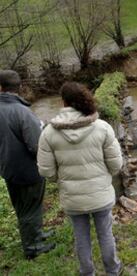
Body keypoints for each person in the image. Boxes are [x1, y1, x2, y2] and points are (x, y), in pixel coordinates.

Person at [37, 82, 123, 276]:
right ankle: (112, 270)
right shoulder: (102, 127)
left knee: (81, 236)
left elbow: (46, 171)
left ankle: (87, 272)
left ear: (63, 102)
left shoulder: (49, 133)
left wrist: (61, 180)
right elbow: (116, 165)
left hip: (72, 198)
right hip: (100, 194)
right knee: (105, 233)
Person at [0, 70, 55, 259]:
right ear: (19, 88)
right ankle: (32, 247)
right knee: (30, 208)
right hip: (27, 170)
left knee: (23, 207)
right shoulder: (22, 112)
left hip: (8, 168)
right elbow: (36, 145)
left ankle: (36, 235)